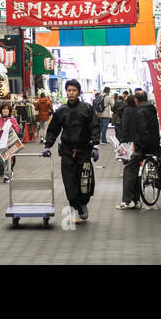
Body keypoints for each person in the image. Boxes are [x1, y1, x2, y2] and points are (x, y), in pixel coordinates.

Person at [41, 79, 100, 221]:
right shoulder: (61, 111)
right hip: (67, 152)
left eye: (74, 90)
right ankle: (74, 208)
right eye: (69, 90)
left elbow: (94, 127)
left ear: (78, 92)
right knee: (69, 182)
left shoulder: (87, 109)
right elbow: (53, 129)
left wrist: (96, 146)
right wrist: (48, 145)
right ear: (66, 92)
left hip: (84, 151)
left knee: (85, 181)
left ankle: (83, 204)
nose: (71, 93)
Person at [0, 102, 21, 181]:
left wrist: (12, 126)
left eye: (6, 109)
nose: (5, 111)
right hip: (0, 143)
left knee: (7, 159)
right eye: (3, 109)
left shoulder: (12, 119)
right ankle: (9, 171)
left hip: (10, 143)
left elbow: (18, 130)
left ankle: (6, 176)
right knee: (2, 159)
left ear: (9, 111)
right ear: (1, 111)